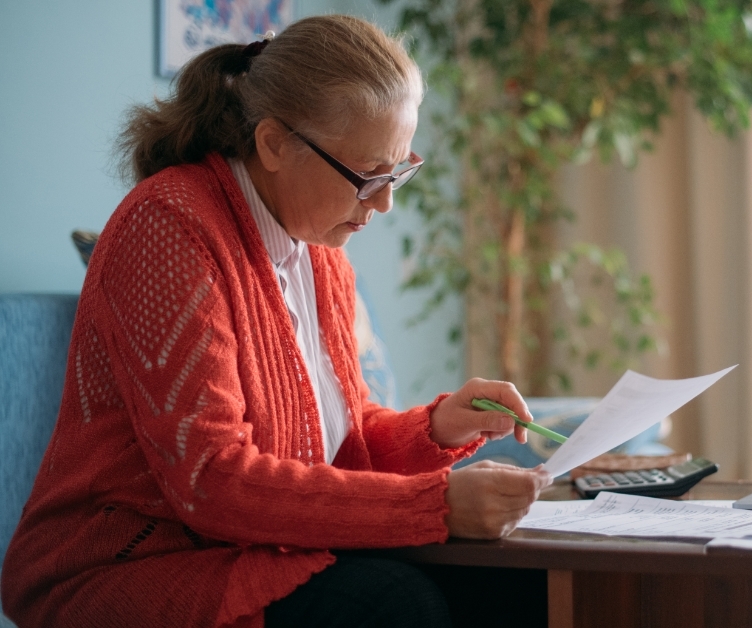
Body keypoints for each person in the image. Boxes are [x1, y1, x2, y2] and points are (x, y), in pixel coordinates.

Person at [0, 15, 552, 628]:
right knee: (396, 603)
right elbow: (211, 480)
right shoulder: (168, 227)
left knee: (526, 595)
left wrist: (435, 429)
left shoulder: (319, 250)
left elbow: (336, 450)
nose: (385, 201)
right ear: (272, 143)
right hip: (128, 571)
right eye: (367, 175)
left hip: (252, 549)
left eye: (396, 170)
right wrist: (436, 506)